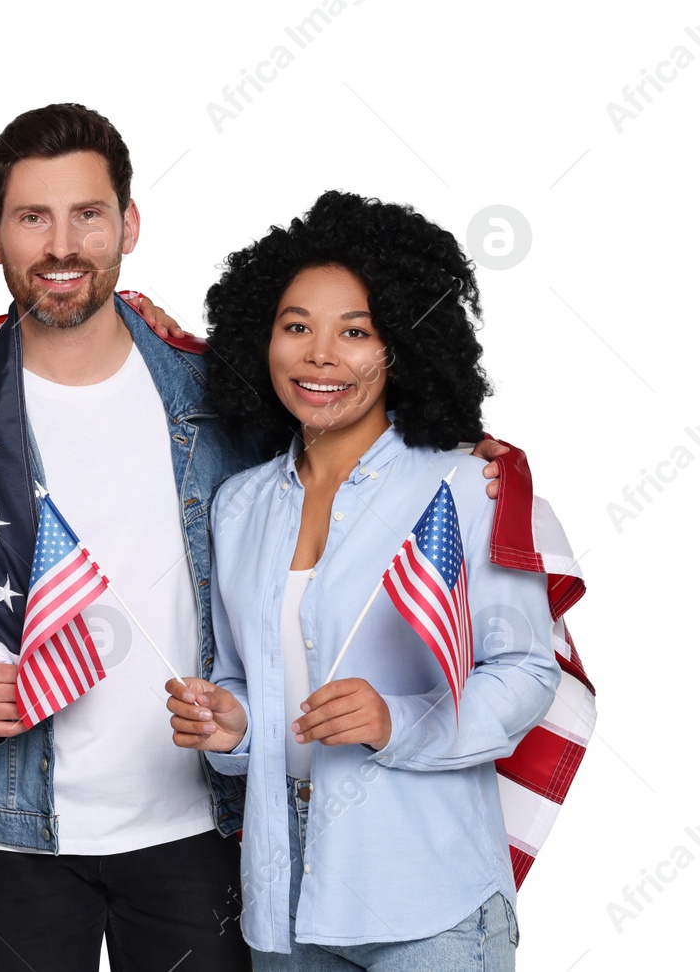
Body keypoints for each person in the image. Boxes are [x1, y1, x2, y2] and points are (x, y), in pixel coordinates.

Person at [0, 103, 260, 972]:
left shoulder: (224, 400)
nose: (62, 245)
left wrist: (447, 433)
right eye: (33, 217)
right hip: (19, 834)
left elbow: (339, 461)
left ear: (129, 223)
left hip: (194, 822)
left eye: (87, 214)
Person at [166, 191, 562, 969]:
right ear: (261, 338)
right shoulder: (238, 506)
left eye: (355, 331)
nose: (320, 354)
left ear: (403, 348)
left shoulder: (460, 486)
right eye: (296, 326)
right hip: (286, 899)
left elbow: (526, 670)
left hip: (430, 897)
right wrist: (232, 727)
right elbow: (249, 680)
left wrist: (396, 720)